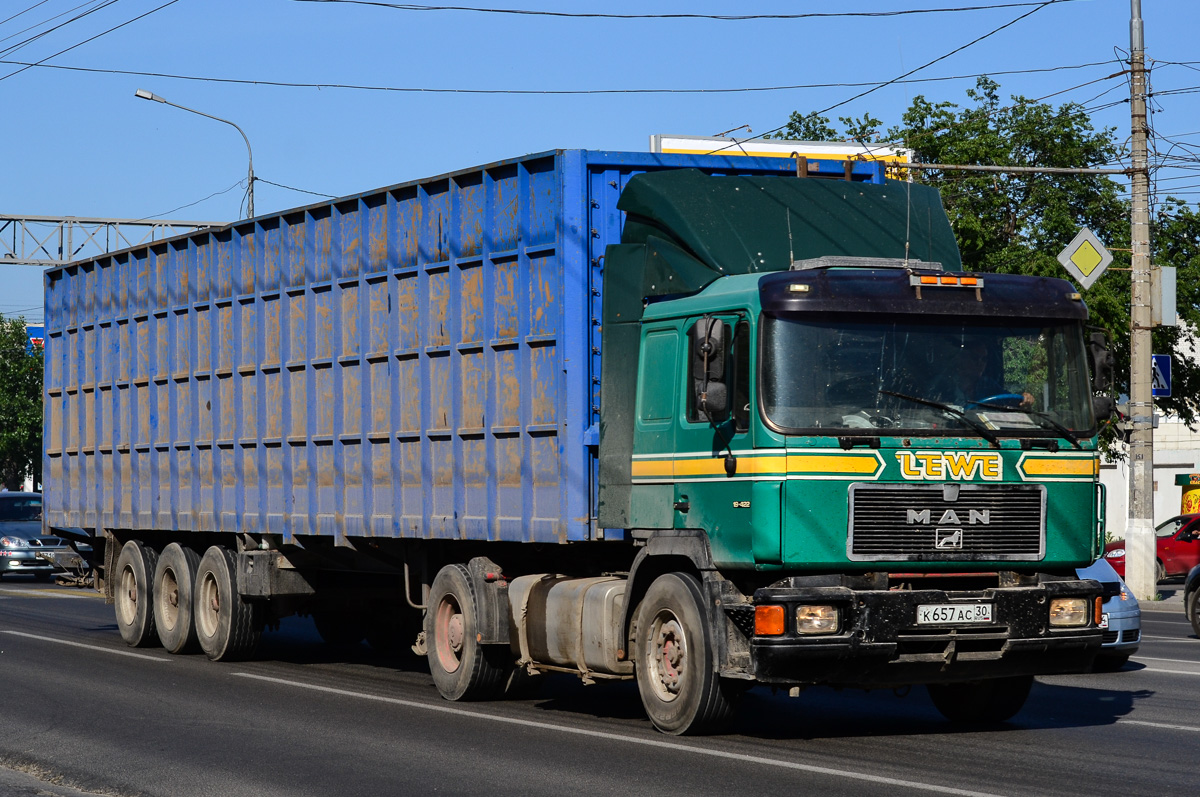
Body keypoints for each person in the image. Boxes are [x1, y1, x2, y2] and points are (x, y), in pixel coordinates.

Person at [938, 342, 1033, 409]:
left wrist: (1025, 399)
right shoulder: (943, 386)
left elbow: (1008, 399)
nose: (980, 364)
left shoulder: (988, 385)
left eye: (984, 359)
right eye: (975, 358)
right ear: (961, 359)